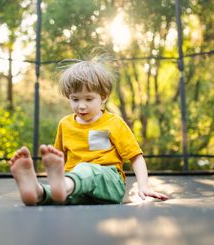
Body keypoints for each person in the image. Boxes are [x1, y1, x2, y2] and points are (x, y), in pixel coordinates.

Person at [9, 57, 168, 205]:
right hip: (76, 184)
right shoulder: (65, 124)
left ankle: (63, 186)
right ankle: (38, 192)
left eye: (88, 99)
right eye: (75, 99)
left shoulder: (114, 123)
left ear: (103, 97)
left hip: (109, 181)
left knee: (86, 170)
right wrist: (59, 172)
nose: (81, 106)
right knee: (63, 195)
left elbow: (136, 157)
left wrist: (143, 186)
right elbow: (59, 159)